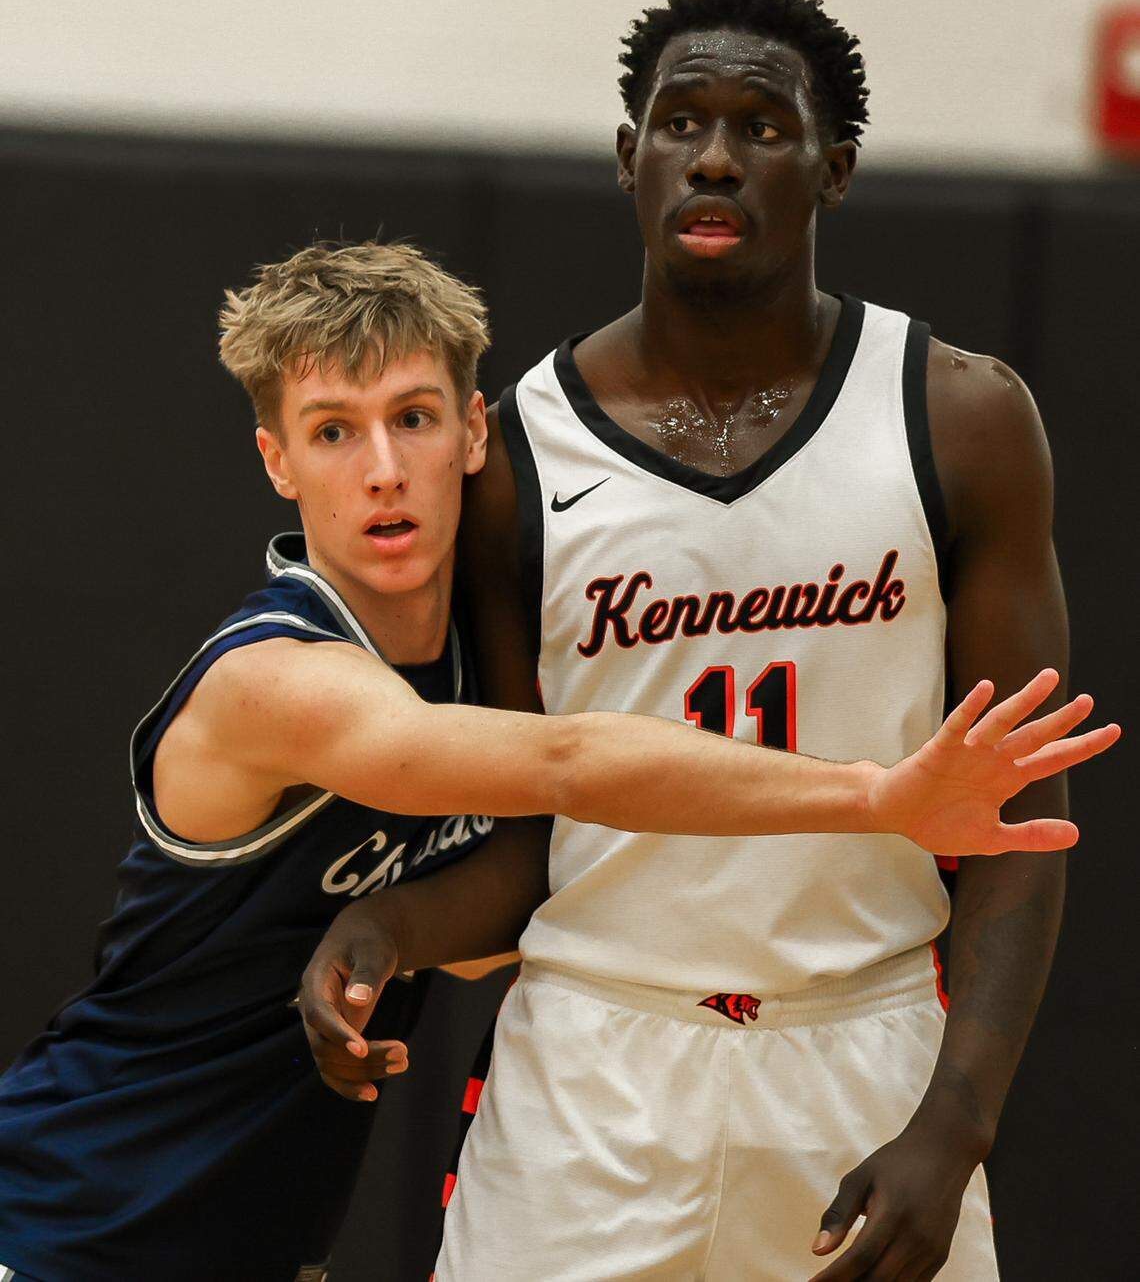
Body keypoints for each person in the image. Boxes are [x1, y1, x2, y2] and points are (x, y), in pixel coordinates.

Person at [0, 243, 1106, 1282]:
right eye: (334, 432)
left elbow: (528, 897)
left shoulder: (485, 657)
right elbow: (576, 762)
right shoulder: (276, 679)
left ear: (475, 432)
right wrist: (875, 793)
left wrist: (393, 928)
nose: (383, 470)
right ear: (276, 460)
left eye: (413, 418)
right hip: (65, 1219)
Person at [403, 0, 1106, 1282]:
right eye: (681, 123)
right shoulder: (515, 455)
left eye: (762, 128)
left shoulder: (960, 418)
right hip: (593, 1062)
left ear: (834, 170)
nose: (714, 159)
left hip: (864, 1047)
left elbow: (1023, 811)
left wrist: (953, 1127)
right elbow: (516, 838)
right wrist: (376, 936)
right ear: (630, 157)